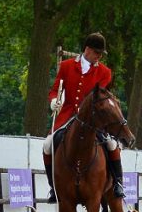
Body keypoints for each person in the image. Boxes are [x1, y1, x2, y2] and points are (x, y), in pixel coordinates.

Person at [43, 33, 126, 203]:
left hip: (92, 120)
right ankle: (53, 187)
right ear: (87, 50)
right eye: (97, 52)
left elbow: (99, 98)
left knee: (111, 144)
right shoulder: (65, 66)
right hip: (67, 116)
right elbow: (54, 89)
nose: (99, 57)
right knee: (47, 145)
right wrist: (54, 101)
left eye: (101, 54)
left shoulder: (105, 72)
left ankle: (118, 183)